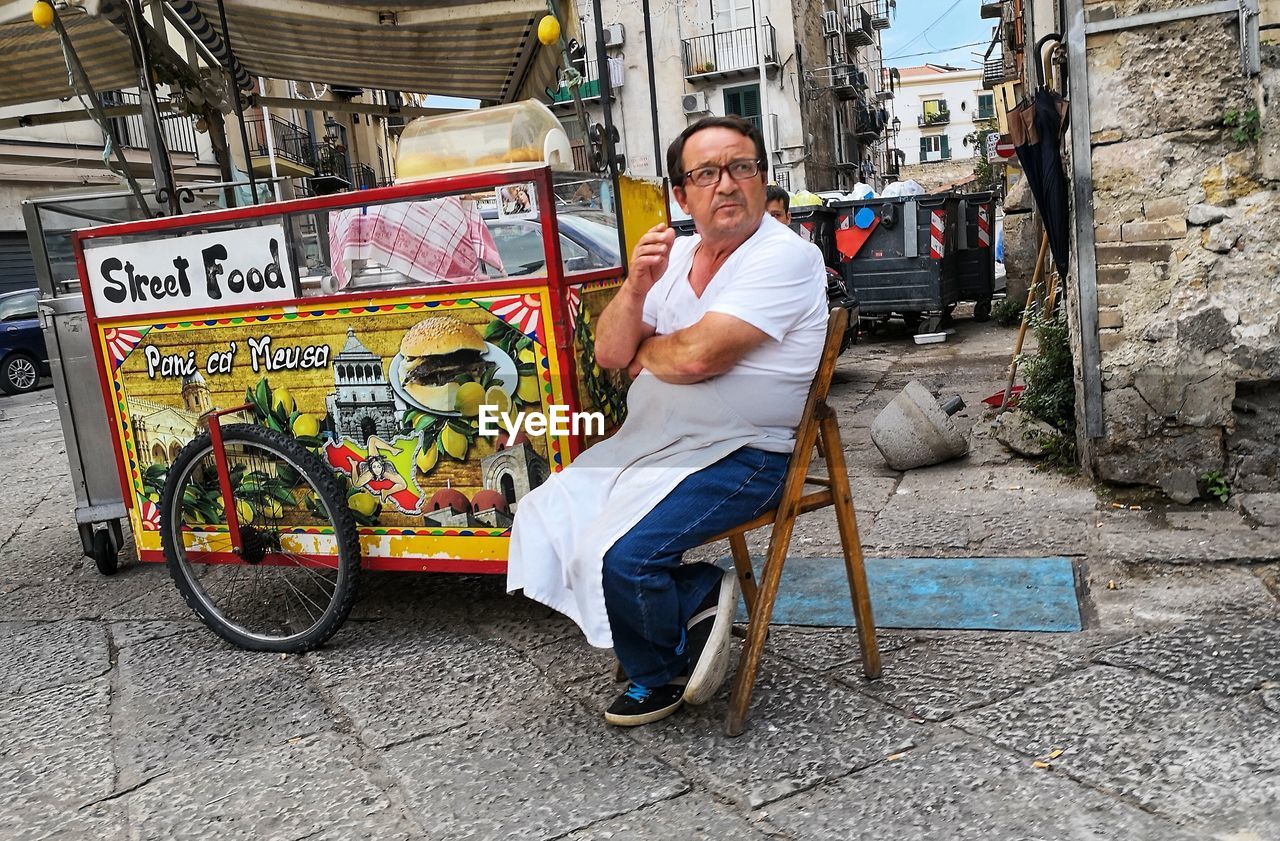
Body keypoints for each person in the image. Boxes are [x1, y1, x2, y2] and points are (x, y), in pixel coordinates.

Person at [506, 115, 827, 726]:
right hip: (655, 441)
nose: (726, 185)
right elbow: (606, 353)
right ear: (682, 194)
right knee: (550, 515)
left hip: (747, 454)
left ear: (762, 179)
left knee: (625, 556)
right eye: (706, 174)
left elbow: (698, 355)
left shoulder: (784, 257)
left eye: (741, 168)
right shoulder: (673, 255)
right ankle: (690, 604)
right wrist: (633, 291)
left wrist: (648, 353)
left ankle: (664, 660)